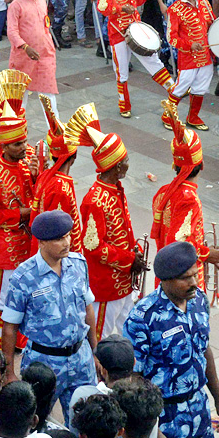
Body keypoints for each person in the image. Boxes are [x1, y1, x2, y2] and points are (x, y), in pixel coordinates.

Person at [125, 241, 219, 438]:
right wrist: (151, 429)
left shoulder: (198, 300)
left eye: (195, 274)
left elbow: (203, 351)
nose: (194, 282)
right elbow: (134, 380)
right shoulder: (143, 317)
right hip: (164, 415)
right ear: (166, 280)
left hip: (199, 408)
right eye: (185, 278)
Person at [0, 205, 97, 429]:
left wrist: (95, 351)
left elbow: (88, 309)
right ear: (41, 242)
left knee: (86, 421)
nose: (67, 242)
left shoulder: (78, 265)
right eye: (59, 239)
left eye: (68, 236)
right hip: (44, 363)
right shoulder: (24, 277)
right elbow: (9, 327)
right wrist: (9, 372)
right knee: (35, 421)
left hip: (81, 358)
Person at [0, 77, 35, 351]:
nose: (23, 148)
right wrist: (21, 213)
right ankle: (1, 349)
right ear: (4, 144)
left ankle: (17, 338)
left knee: (22, 293)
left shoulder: (25, 163)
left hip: (26, 243)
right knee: (1, 296)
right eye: (16, 145)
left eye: (23, 142)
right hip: (4, 247)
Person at [76, 119, 145, 341]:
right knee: (100, 337)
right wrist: (128, 260)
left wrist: (135, 251)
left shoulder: (115, 189)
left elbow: (123, 230)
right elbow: (93, 246)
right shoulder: (95, 201)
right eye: (125, 161)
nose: (128, 164)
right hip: (107, 286)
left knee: (132, 330)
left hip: (123, 281)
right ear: (116, 166)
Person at [97, 0, 172, 117]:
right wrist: (121, 7)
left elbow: (138, 0)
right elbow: (103, 8)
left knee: (151, 58)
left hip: (135, 29)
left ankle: (173, 88)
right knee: (121, 72)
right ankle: (124, 106)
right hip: (118, 34)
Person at [150, 106, 219, 291]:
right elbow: (179, 243)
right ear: (202, 165)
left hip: (166, 275)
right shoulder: (188, 198)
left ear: (175, 164)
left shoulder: (163, 192)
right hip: (183, 281)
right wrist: (207, 254)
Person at [164, 0, 214, 130]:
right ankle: (167, 115)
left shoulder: (204, 3)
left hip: (205, 54)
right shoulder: (174, 10)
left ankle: (193, 117)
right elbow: (171, 37)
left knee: (201, 87)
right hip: (188, 56)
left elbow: (213, 26)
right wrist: (189, 45)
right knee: (182, 86)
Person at [7, 0, 58, 110]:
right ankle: (17, 129)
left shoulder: (42, 0)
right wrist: (25, 47)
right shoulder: (16, 5)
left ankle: (54, 130)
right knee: (19, 99)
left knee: (48, 94)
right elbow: (12, 32)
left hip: (44, 55)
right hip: (23, 58)